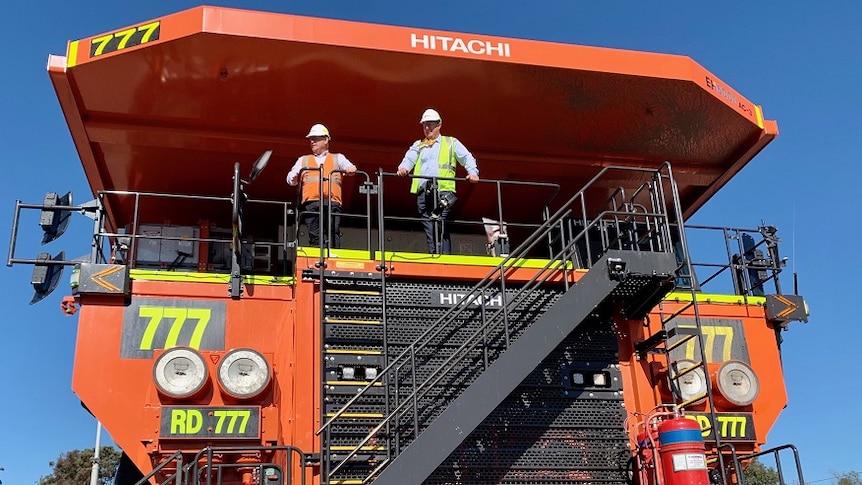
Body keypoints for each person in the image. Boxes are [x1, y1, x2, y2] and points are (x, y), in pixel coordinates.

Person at [397, 108, 479, 254]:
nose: (427, 128)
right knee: (429, 225)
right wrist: (403, 168)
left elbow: (467, 157)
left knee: (440, 222)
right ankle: (434, 255)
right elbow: (408, 159)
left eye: (430, 124)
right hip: (423, 192)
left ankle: (444, 257)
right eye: (424, 125)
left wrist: (473, 173)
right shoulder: (419, 145)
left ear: (439, 125)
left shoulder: (451, 142)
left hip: (444, 191)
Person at [287, 123, 356, 248]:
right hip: (311, 203)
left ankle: (333, 257)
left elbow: (350, 167)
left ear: (326, 140)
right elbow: (290, 178)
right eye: (311, 139)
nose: (312, 141)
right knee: (314, 235)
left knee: (333, 233)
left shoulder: (338, 158)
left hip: (332, 203)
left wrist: (350, 169)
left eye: (316, 138)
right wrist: (294, 177)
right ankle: (316, 261)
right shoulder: (303, 160)